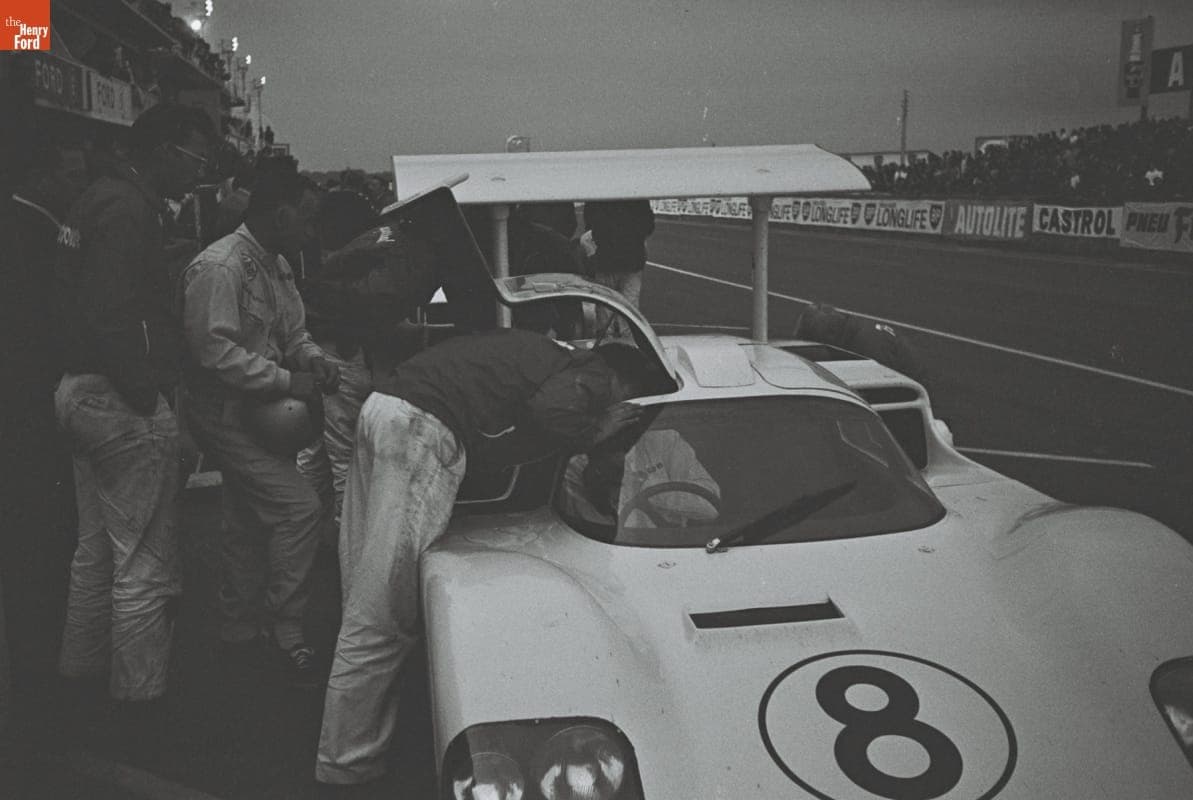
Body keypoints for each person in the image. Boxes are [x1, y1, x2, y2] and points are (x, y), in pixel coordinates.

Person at [315, 332, 655, 787]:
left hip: (385, 410)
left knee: (361, 593)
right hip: (422, 430)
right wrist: (601, 430)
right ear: (620, 378)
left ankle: (345, 753)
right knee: (384, 617)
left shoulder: (542, 356)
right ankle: (347, 767)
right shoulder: (592, 373)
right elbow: (549, 412)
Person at [52, 102, 215, 704]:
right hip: (117, 396)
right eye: (198, 158)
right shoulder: (129, 208)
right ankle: (140, 700)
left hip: (76, 389)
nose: (200, 172)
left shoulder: (96, 198)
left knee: (95, 550)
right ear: (167, 150)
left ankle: (80, 673)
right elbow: (111, 312)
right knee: (144, 558)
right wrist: (145, 393)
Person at [181, 169, 340, 686]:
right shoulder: (220, 267)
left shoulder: (276, 265)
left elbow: (293, 331)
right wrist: (285, 380)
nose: (313, 231)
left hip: (263, 413)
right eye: (309, 219)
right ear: (282, 214)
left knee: (246, 522)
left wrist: (313, 360)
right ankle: (284, 628)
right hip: (226, 412)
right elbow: (212, 353)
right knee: (299, 511)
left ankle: (238, 633)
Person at [561, 427, 720, 529]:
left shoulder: (665, 442)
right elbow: (594, 532)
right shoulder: (576, 467)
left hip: (672, 546)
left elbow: (709, 508)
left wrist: (644, 486)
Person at [793, 302, 928, 388]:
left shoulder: (866, 347)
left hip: (913, 398)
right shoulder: (855, 331)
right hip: (908, 386)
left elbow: (880, 389)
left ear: (830, 336)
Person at [583, 199, 655, 335]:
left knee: (605, 308)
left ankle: (606, 345)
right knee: (629, 310)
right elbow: (649, 225)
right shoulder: (637, 197)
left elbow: (589, 222)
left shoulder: (600, 195)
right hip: (632, 258)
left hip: (607, 258)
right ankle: (627, 344)